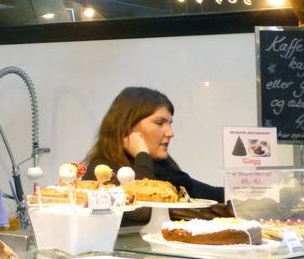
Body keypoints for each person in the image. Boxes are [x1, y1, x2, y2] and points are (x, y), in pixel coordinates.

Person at [85, 86, 224, 202]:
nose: (170, 133)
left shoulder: (164, 170)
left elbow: (211, 194)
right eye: (159, 123)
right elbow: (142, 202)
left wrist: (241, 187)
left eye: (169, 124)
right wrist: (142, 154)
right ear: (128, 127)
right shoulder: (101, 173)